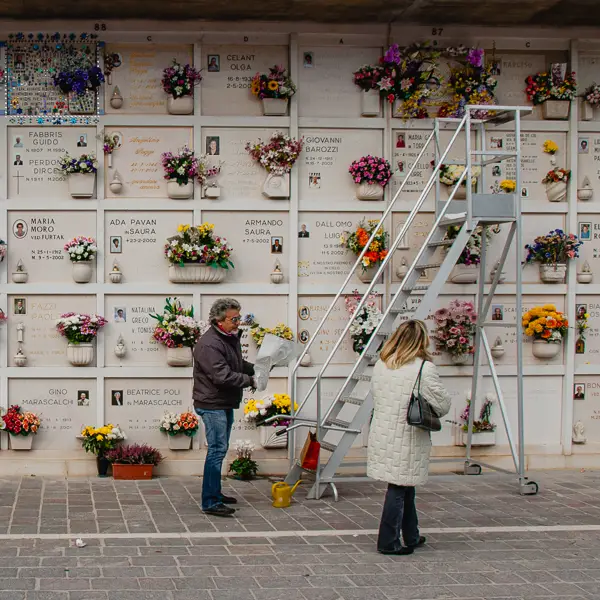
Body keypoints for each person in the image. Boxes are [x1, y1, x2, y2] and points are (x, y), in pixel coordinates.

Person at [368, 320, 451, 555]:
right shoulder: (423, 368)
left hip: (383, 432)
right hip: (407, 435)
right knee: (398, 487)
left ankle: (411, 535)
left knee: (405, 485)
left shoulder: (382, 365)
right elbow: (443, 404)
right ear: (421, 341)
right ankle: (388, 542)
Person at [193, 298, 256, 517]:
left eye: (239, 317)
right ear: (219, 320)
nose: (239, 322)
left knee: (220, 449)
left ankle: (215, 493)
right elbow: (222, 375)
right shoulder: (210, 343)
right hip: (212, 404)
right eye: (234, 318)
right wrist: (251, 381)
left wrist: (257, 368)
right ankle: (210, 501)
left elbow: (237, 365)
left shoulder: (227, 338)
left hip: (222, 402)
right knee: (217, 450)